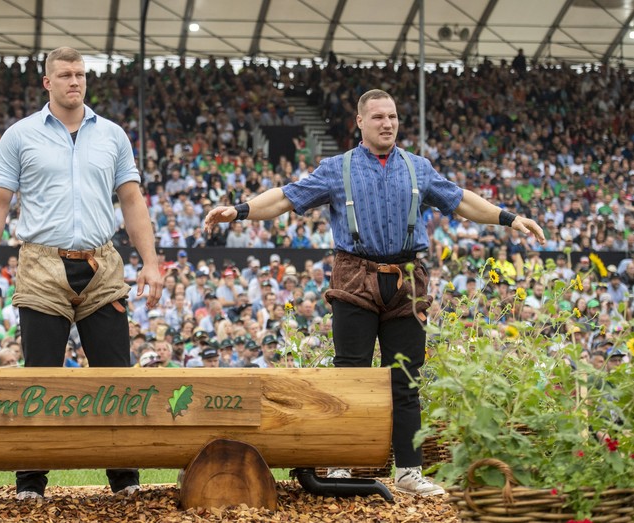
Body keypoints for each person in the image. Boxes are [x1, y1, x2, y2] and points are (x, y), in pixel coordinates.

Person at [204, 89, 545, 497]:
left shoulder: (419, 168)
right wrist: (239, 210)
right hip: (354, 277)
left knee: (405, 378)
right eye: (379, 117)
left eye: (393, 117)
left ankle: (408, 470)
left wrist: (510, 218)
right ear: (360, 123)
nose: (388, 123)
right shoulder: (336, 168)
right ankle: (345, 466)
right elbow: (286, 197)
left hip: (406, 279)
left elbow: (461, 201)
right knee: (351, 375)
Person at [0, 46, 162, 501]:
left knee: (116, 377)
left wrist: (150, 262)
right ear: (47, 82)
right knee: (39, 377)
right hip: (41, 264)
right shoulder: (20, 135)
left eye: (80, 74)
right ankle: (30, 484)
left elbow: (132, 200)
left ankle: (126, 480)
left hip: (102, 262)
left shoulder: (112, 135)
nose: (75, 81)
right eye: (65, 74)